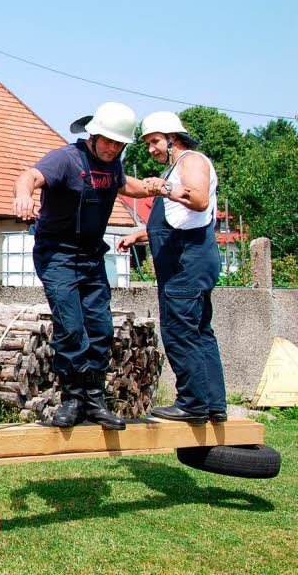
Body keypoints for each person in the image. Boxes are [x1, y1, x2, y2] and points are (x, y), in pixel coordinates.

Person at [12, 102, 154, 429]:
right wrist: (23, 195)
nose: (113, 148)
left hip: (91, 256)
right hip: (57, 254)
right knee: (71, 329)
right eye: (108, 141)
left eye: (120, 144)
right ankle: (72, 400)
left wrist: (155, 188)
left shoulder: (112, 165)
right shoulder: (66, 159)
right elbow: (30, 176)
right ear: (94, 134)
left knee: (101, 329)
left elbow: (124, 184)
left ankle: (95, 401)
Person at [117, 111, 227, 423]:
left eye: (155, 141)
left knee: (180, 331)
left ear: (172, 138)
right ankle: (214, 405)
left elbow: (199, 200)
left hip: (186, 262)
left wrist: (163, 188)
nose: (151, 148)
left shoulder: (191, 160)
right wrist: (138, 234)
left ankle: (192, 404)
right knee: (200, 331)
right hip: (188, 260)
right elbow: (178, 220)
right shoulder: (176, 167)